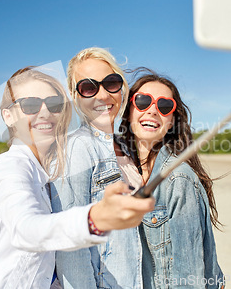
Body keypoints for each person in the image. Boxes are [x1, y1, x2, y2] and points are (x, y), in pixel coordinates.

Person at [0, 66, 154, 289]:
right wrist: (95, 218)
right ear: (8, 116)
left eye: (53, 104)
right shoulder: (10, 165)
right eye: (30, 105)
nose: (44, 112)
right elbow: (26, 230)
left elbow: (43, 264)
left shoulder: (46, 172)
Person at [119, 69, 225, 289]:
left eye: (164, 106)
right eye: (142, 101)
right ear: (129, 110)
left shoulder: (178, 179)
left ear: (171, 122)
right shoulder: (122, 169)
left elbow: (188, 278)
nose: (153, 111)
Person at [50, 48, 144, 289]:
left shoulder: (125, 147)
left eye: (111, 83)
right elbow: (70, 245)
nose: (102, 95)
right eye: (89, 88)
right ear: (75, 96)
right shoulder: (77, 148)